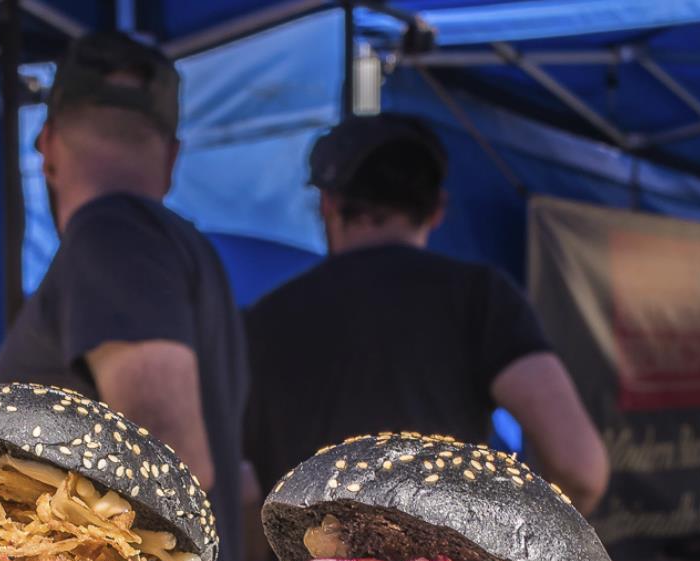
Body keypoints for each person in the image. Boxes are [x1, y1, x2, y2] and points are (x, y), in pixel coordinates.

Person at [0, 31, 251, 561]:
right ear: (172, 157)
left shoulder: (113, 234)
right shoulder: (181, 248)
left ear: (47, 146)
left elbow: (171, 458)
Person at [243, 114, 610, 514]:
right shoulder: (479, 297)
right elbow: (581, 469)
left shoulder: (262, 320)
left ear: (328, 204)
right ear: (437, 208)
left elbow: (234, 488)